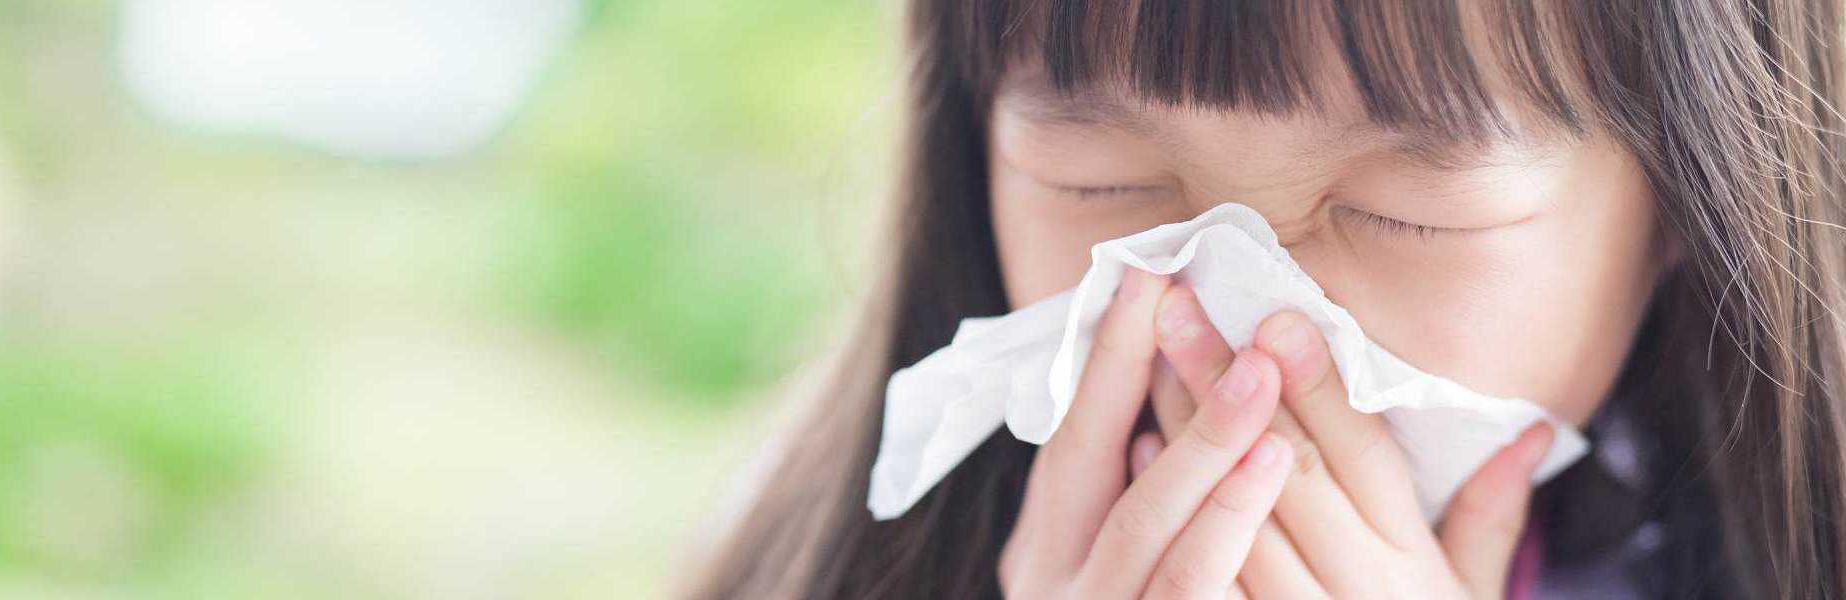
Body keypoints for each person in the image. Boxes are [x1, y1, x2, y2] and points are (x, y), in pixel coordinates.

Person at [687, 1, 1846, 598]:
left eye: (1405, 210)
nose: (1240, 329)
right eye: (1101, 179)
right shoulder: (817, 557)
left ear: (1695, 205)